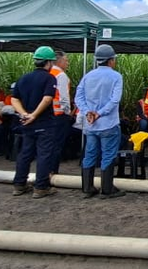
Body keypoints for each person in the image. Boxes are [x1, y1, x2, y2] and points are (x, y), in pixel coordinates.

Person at [10, 46, 62, 199]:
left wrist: (24, 114)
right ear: (49, 62)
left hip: (27, 123)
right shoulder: (49, 78)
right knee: (44, 154)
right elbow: (47, 98)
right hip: (44, 123)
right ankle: (41, 186)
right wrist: (34, 115)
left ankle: (19, 184)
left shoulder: (24, 78)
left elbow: (14, 99)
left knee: (25, 153)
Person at [75, 44, 126, 199]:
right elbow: (114, 100)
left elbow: (79, 97)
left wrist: (88, 112)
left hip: (91, 125)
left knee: (89, 155)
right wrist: (100, 113)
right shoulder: (116, 76)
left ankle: (87, 188)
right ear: (111, 60)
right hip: (108, 123)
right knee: (108, 155)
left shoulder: (88, 76)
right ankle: (107, 188)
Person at [50, 50, 75, 169]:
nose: (68, 63)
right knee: (57, 144)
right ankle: (53, 171)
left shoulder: (48, 72)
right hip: (60, 114)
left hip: (48, 114)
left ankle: (46, 171)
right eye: (66, 60)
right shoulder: (61, 75)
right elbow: (64, 96)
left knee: (48, 144)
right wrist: (67, 112)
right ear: (59, 61)